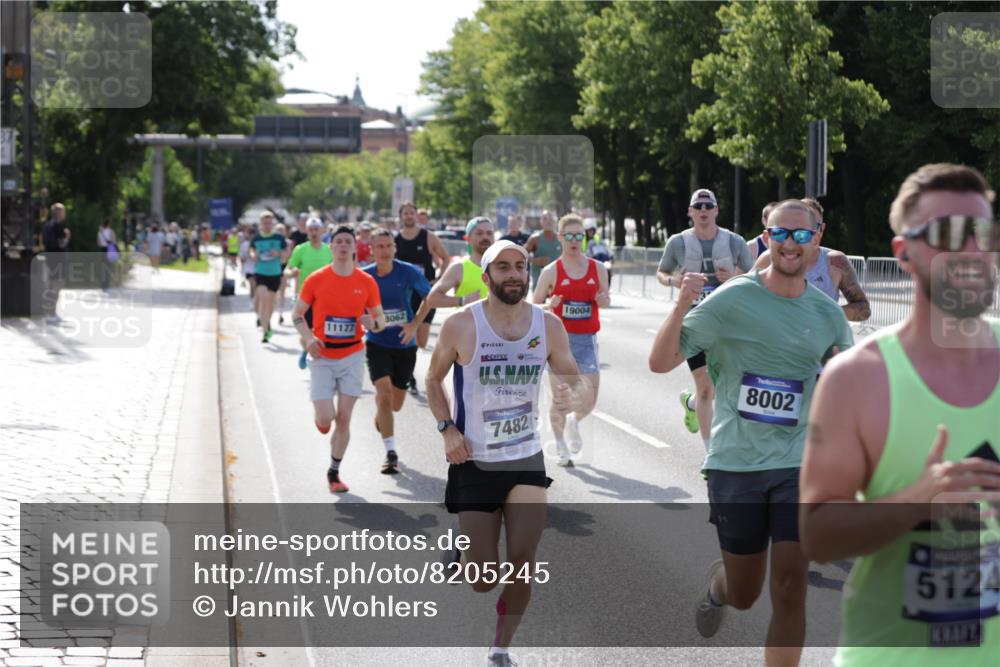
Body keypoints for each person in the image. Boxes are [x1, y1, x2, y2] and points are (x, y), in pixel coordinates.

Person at [800, 163, 1000, 667]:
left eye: (983, 232)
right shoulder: (856, 380)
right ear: (903, 253)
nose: (972, 251)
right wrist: (917, 499)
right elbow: (818, 535)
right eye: (948, 234)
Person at [649, 199, 854, 667]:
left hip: (797, 465)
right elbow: (660, 362)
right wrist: (682, 303)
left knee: (790, 587)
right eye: (781, 233)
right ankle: (719, 588)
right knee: (745, 592)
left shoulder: (828, 315)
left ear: (817, 238)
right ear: (766, 237)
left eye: (802, 235)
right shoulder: (734, 297)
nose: (790, 243)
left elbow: (848, 388)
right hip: (735, 464)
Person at [425, 239, 587, 667]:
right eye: (503, 267)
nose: (513, 274)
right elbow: (432, 380)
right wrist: (447, 431)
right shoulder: (462, 324)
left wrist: (573, 395)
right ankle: (464, 549)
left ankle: (500, 646)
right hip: (474, 461)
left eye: (519, 265)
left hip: (525, 458)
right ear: (486, 274)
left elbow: (573, 376)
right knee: (482, 579)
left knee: (523, 563)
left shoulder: (548, 325)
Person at [656, 188, 754, 448]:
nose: (703, 211)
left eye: (707, 206)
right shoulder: (678, 242)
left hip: (729, 323)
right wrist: (674, 281)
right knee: (706, 387)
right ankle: (711, 450)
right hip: (694, 323)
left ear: (716, 210)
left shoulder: (735, 242)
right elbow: (662, 273)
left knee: (729, 387)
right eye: (697, 206)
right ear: (690, 211)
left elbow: (755, 278)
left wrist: (734, 278)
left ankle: (691, 404)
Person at [292, 226, 385, 494]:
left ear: (355, 247)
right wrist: (309, 339)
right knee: (326, 418)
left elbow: (380, 320)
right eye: (339, 242)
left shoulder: (366, 282)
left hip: (353, 355)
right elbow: (297, 314)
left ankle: (334, 472)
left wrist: (374, 322)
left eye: (348, 242)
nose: (343, 245)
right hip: (322, 356)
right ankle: (321, 419)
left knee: (343, 419)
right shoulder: (316, 279)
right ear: (331, 247)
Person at [532, 214, 610, 466]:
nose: (575, 241)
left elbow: (606, 299)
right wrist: (548, 305)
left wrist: (603, 301)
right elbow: (533, 307)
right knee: (560, 399)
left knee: (589, 399)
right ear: (561, 238)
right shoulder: (551, 271)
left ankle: (575, 423)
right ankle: (561, 445)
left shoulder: (597, 268)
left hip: (587, 340)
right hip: (559, 342)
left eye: (579, 236)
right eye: (569, 236)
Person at [362, 229, 432, 474]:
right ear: (371, 250)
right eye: (379, 246)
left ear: (395, 248)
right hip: (377, 342)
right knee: (384, 394)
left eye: (388, 245)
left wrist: (414, 325)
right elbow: (355, 305)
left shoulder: (408, 271)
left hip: (404, 343)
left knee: (396, 404)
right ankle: (390, 453)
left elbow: (430, 296)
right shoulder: (365, 276)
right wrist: (365, 320)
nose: (384, 250)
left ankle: (382, 415)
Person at [753, 199, 871, 323]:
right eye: (800, 230)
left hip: (823, 341)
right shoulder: (769, 258)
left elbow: (863, 308)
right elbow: (744, 297)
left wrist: (823, 314)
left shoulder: (835, 261)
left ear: (821, 229)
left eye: (814, 227)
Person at [395, 202, 452, 353]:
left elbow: (446, 258)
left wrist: (439, 279)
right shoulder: (395, 240)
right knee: (404, 336)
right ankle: (408, 372)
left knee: (422, 341)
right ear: (401, 217)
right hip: (403, 294)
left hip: (424, 293)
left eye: (411, 213)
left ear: (416, 216)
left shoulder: (428, 237)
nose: (408, 216)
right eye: (405, 213)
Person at [419, 216, 495, 317]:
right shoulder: (459, 268)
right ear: (468, 238)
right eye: (479, 233)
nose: (485, 237)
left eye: (489, 233)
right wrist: (462, 300)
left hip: (497, 331)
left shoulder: (503, 266)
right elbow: (432, 299)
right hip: (466, 330)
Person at [287, 218, 334, 369]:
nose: (314, 232)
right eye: (311, 229)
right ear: (306, 231)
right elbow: (287, 269)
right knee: (305, 330)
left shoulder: (329, 250)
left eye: (316, 229)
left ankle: (321, 361)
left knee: (322, 331)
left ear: (322, 231)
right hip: (305, 297)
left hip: (325, 297)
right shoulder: (300, 249)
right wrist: (292, 271)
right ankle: (307, 346)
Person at [250, 212, 290, 343]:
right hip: (261, 273)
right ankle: (265, 330)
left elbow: (286, 254)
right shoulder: (256, 238)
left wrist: (278, 253)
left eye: (269, 223)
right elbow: (251, 249)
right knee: (263, 297)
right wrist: (253, 255)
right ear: (261, 223)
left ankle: (267, 322)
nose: (267, 225)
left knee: (271, 303)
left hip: (275, 273)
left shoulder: (279, 238)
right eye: (264, 223)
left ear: (272, 223)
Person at [41, 202, 71, 322]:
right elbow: (61, 244)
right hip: (57, 259)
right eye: (63, 211)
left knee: (51, 285)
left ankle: (50, 312)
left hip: (49, 258)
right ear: (58, 212)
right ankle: (51, 313)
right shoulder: (58, 226)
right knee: (56, 286)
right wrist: (68, 236)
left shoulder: (47, 225)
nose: (64, 213)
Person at [524, 210, 562, 289]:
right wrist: (535, 260)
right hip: (539, 283)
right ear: (541, 221)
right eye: (545, 218)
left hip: (558, 282)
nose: (548, 221)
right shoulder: (535, 238)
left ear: (556, 221)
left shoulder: (562, 239)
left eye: (551, 218)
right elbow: (521, 254)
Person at [274, 222, 292, 325]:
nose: (280, 233)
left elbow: (287, 257)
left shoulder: (288, 242)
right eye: (278, 231)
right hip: (273, 269)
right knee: (274, 293)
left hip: (283, 269)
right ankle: (274, 312)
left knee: (282, 293)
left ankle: (281, 314)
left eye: (282, 231)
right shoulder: (272, 242)